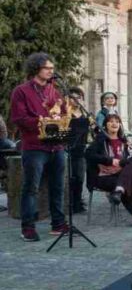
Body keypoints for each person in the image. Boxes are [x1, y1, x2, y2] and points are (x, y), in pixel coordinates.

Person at [10, 52, 69, 241]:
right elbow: (19, 119)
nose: (51, 71)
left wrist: (63, 117)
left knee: (58, 186)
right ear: (36, 68)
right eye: (47, 68)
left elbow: (63, 111)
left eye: (52, 68)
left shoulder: (54, 91)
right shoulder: (21, 91)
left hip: (56, 146)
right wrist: (42, 121)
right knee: (31, 187)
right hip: (34, 146)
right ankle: (27, 227)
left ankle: (58, 224)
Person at [86, 113, 132, 227]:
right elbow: (89, 154)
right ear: (105, 125)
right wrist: (109, 161)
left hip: (121, 175)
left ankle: (118, 191)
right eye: (111, 121)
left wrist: (122, 163)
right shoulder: (100, 141)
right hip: (103, 176)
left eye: (117, 121)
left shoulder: (125, 142)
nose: (114, 124)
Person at [68, 87, 92, 214]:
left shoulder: (85, 113)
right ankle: (70, 202)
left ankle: (78, 202)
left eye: (78, 97)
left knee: (80, 176)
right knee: (70, 177)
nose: (75, 100)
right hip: (68, 148)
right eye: (72, 98)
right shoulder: (65, 113)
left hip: (81, 148)